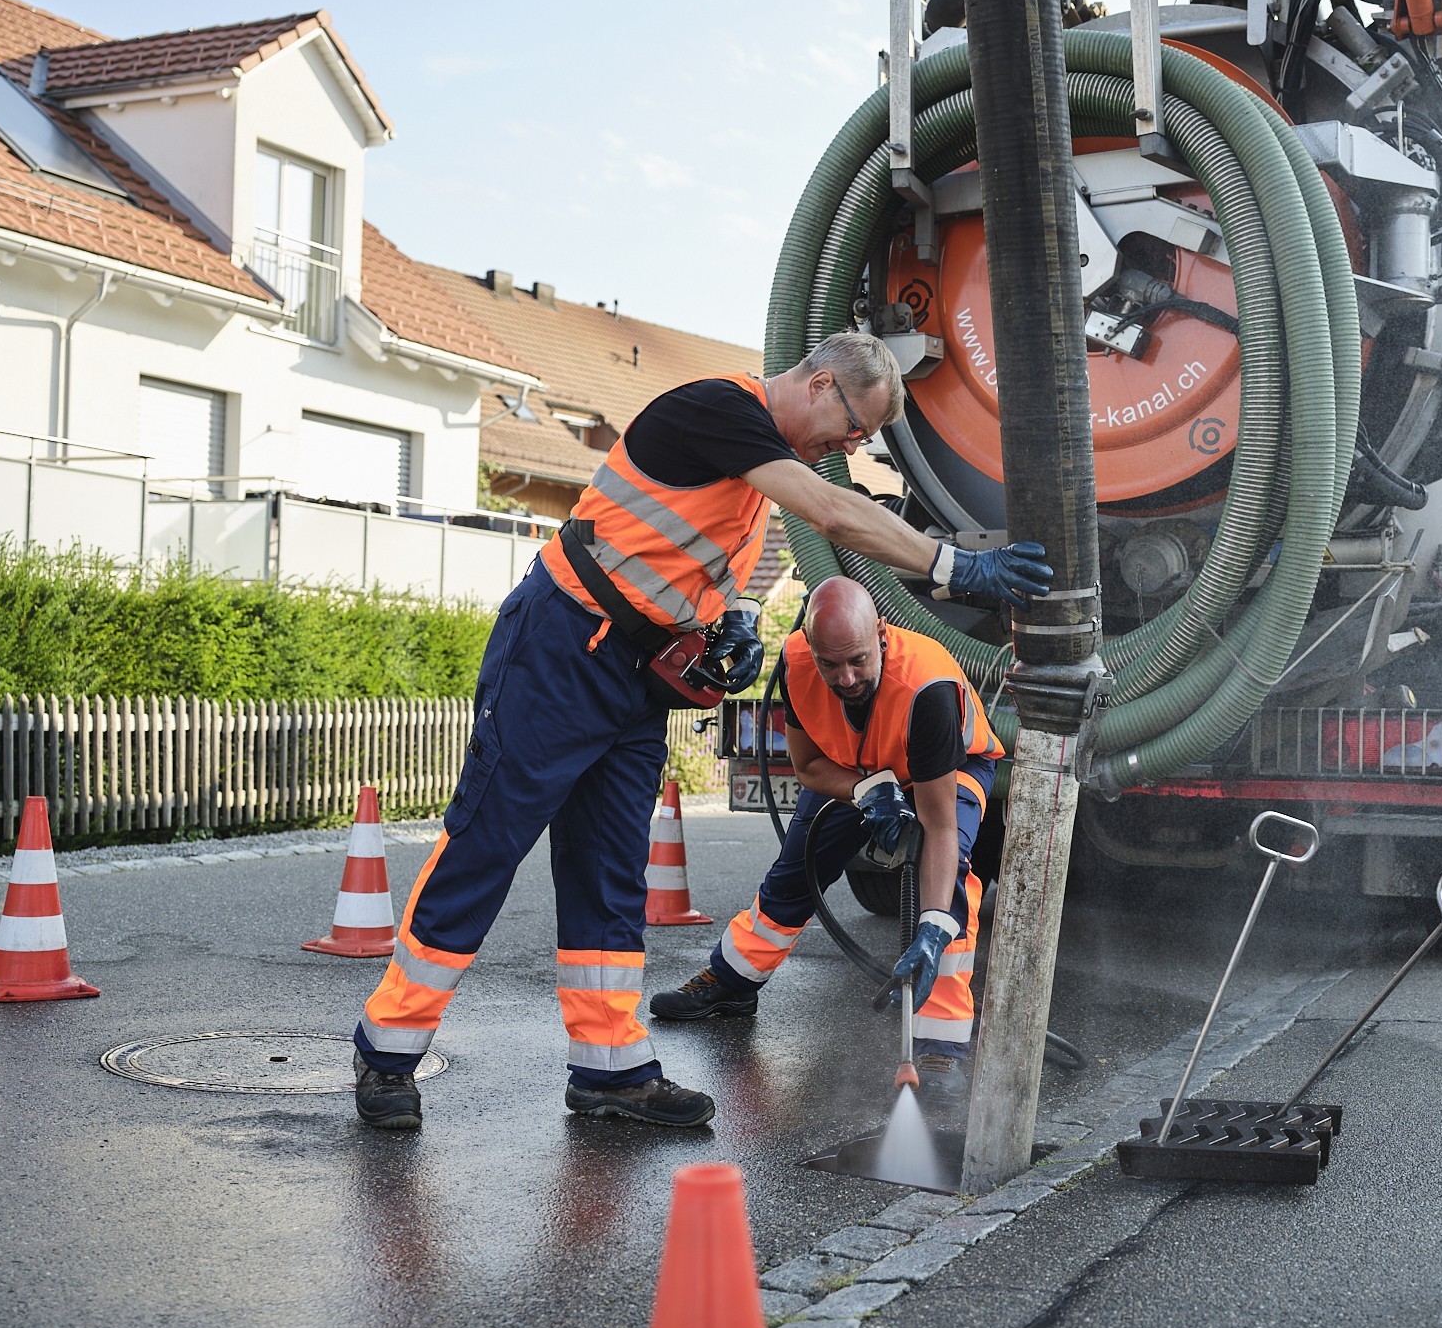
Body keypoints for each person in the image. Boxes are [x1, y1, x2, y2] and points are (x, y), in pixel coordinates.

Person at [351, 332, 1050, 1130]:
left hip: (633, 677)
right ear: (821, 383)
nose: (850, 449)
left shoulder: (751, 469)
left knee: (613, 868)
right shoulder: (718, 408)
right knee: (487, 843)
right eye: (855, 428)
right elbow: (831, 514)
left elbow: (702, 561)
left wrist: (736, 621)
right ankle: (389, 1054)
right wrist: (955, 566)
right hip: (560, 645)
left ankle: (611, 1070)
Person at [650, 577, 1001, 1090]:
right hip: (852, 769)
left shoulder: (928, 688)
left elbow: (941, 827)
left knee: (946, 889)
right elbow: (809, 766)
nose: (847, 677)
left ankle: (939, 1043)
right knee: (797, 870)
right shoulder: (796, 663)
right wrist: (869, 792)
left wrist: (929, 929)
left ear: (882, 633)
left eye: (858, 659)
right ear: (810, 647)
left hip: (950, 767)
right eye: (830, 664)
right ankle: (733, 982)